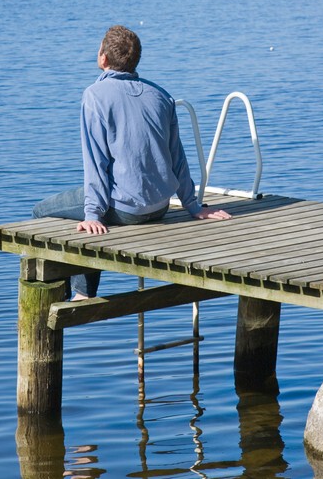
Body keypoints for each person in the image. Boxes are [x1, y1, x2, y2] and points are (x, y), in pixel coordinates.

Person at [32, 25, 231, 300]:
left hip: (127, 210)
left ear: (103, 58)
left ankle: (78, 293)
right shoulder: (162, 95)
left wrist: (92, 214)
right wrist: (193, 206)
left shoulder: (94, 96)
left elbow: (96, 162)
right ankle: (79, 289)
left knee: (41, 212)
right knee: (93, 205)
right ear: (135, 60)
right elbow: (178, 157)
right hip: (159, 207)